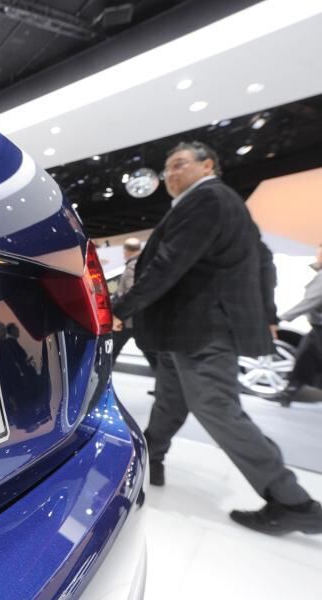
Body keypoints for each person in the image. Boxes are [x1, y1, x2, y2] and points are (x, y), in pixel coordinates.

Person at [112, 141, 322, 535]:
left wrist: (121, 309)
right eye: (167, 169)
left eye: (179, 164)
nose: (170, 174)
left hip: (200, 328)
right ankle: (151, 459)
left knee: (215, 406)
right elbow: (263, 259)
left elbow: (168, 264)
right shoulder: (224, 203)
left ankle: (292, 501)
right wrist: (268, 313)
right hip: (184, 329)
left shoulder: (206, 199)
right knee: (171, 399)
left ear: (207, 165)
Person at [276, 243, 322, 404]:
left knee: (305, 359)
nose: (318, 256)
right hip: (317, 329)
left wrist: (282, 318)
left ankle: (289, 393)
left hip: (319, 330)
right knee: (305, 359)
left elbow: (311, 300)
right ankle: (289, 393)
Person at [111, 238, 157, 372]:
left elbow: (132, 291)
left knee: (111, 352)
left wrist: (120, 315)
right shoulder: (143, 263)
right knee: (152, 354)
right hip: (135, 318)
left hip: (129, 319)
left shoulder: (133, 266)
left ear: (126, 251)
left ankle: (101, 381)